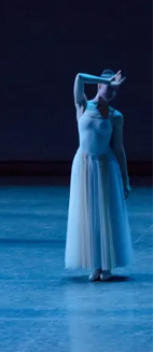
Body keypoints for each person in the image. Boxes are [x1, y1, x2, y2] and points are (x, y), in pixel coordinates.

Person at [66, 70, 132, 281]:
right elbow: (78, 77)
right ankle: (95, 263)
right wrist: (106, 79)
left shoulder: (115, 116)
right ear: (99, 85)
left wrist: (125, 179)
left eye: (115, 90)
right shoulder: (83, 106)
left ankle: (107, 264)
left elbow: (119, 148)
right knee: (89, 215)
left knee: (106, 214)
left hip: (105, 166)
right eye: (108, 87)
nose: (112, 92)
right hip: (84, 166)